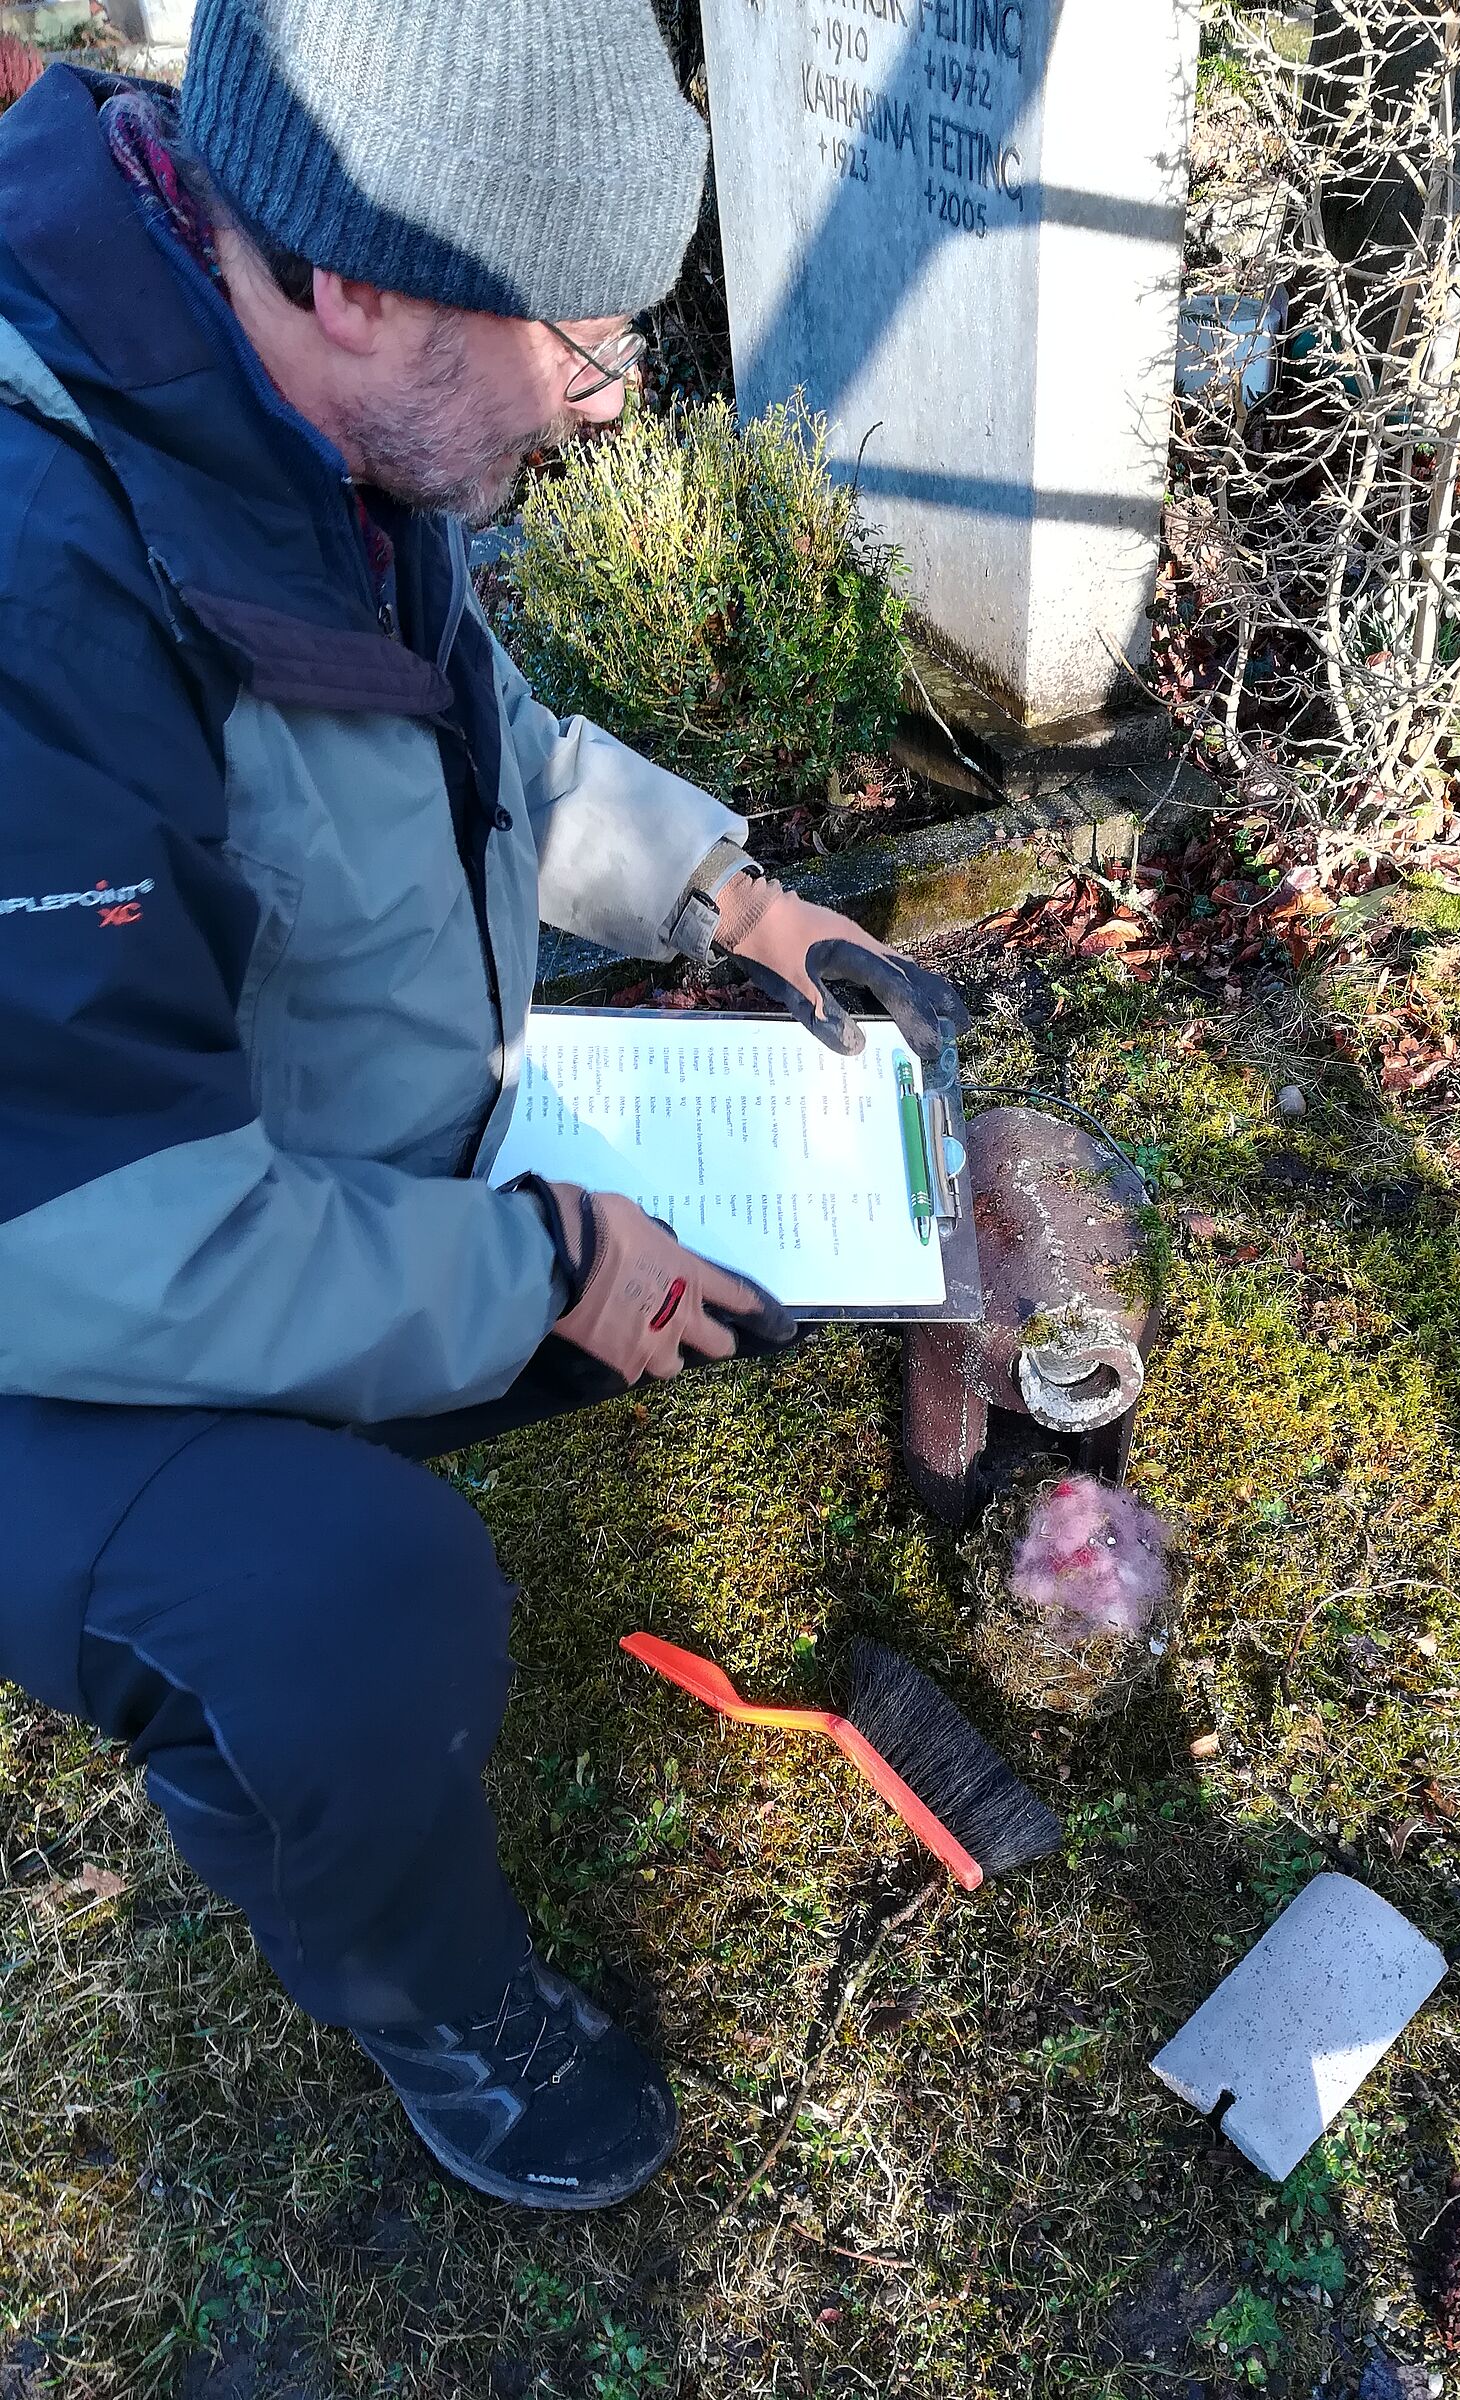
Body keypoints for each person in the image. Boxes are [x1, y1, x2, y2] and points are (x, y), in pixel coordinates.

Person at [0, 0, 967, 2211]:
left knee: (697, 1272)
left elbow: (476, 741)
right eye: (582, 348)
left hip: (184, 1168)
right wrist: (542, 1261)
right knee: (360, 1608)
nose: (599, 411)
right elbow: (78, 1235)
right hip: (42, 1270)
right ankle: (424, 1991)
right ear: (356, 282)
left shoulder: (257, 386)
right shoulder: (35, 587)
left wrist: (741, 902)